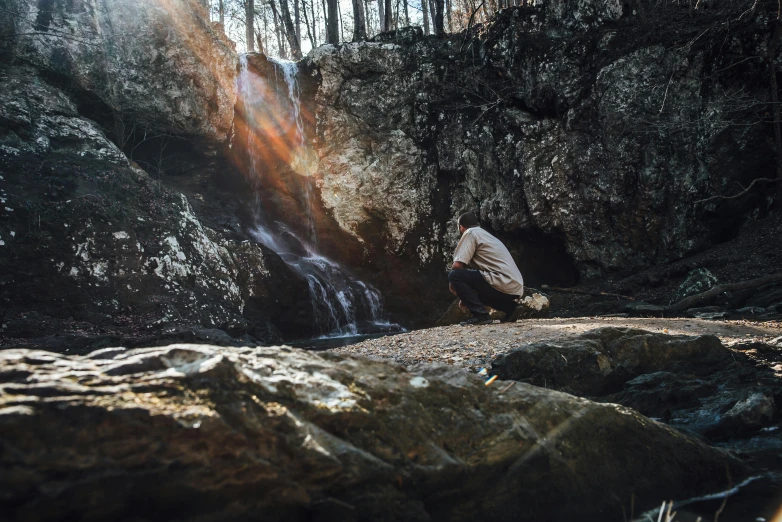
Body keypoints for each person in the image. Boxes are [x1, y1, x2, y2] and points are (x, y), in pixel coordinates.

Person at [448, 212, 524, 326]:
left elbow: (457, 266)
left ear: (461, 227)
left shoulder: (470, 233)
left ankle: (481, 316)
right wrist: (465, 295)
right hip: (515, 286)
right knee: (474, 287)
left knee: (454, 275)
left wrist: (453, 285)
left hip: (501, 281)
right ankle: (511, 308)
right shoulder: (484, 234)